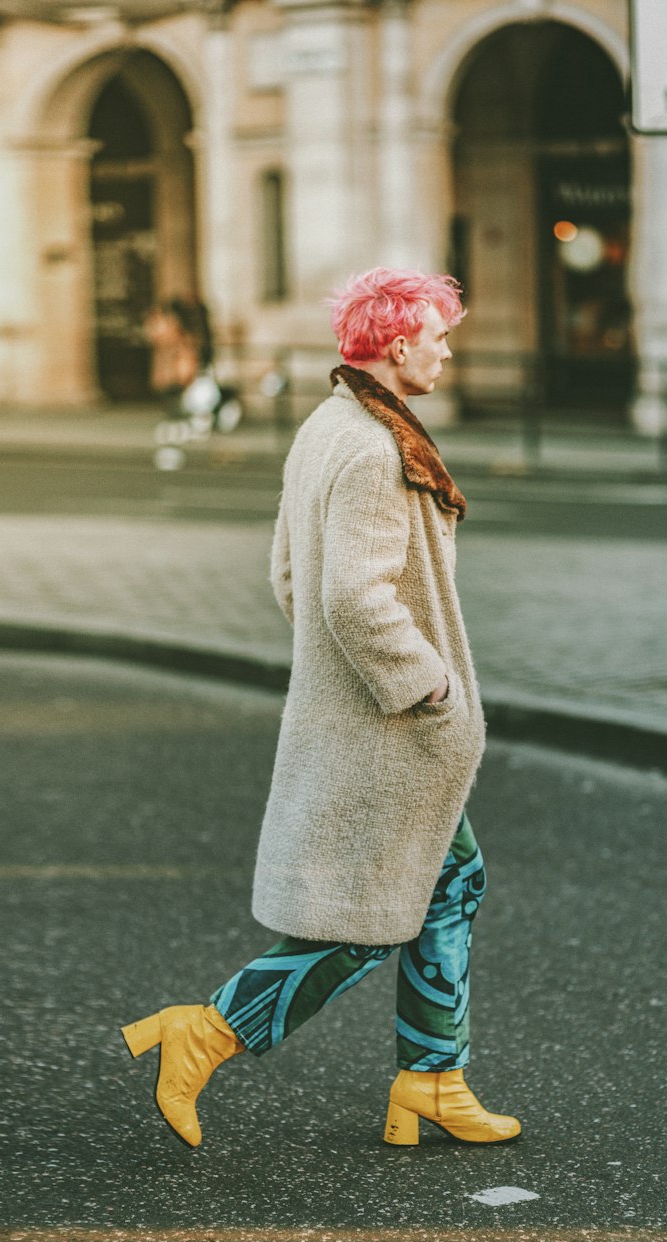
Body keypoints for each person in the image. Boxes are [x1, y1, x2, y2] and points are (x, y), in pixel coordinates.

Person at [122, 268, 520, 1149]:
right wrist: (425, 683)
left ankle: (433, 1077)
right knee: (369, 917)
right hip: (391, 726)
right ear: (397, 344)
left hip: (364, 715)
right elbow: (350, 596)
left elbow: (289, 576)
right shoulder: (378, 449)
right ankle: (208, 1031)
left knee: (448, 881)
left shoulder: (330, 425)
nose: (448, 349)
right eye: (439, 335)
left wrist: (344, 673)